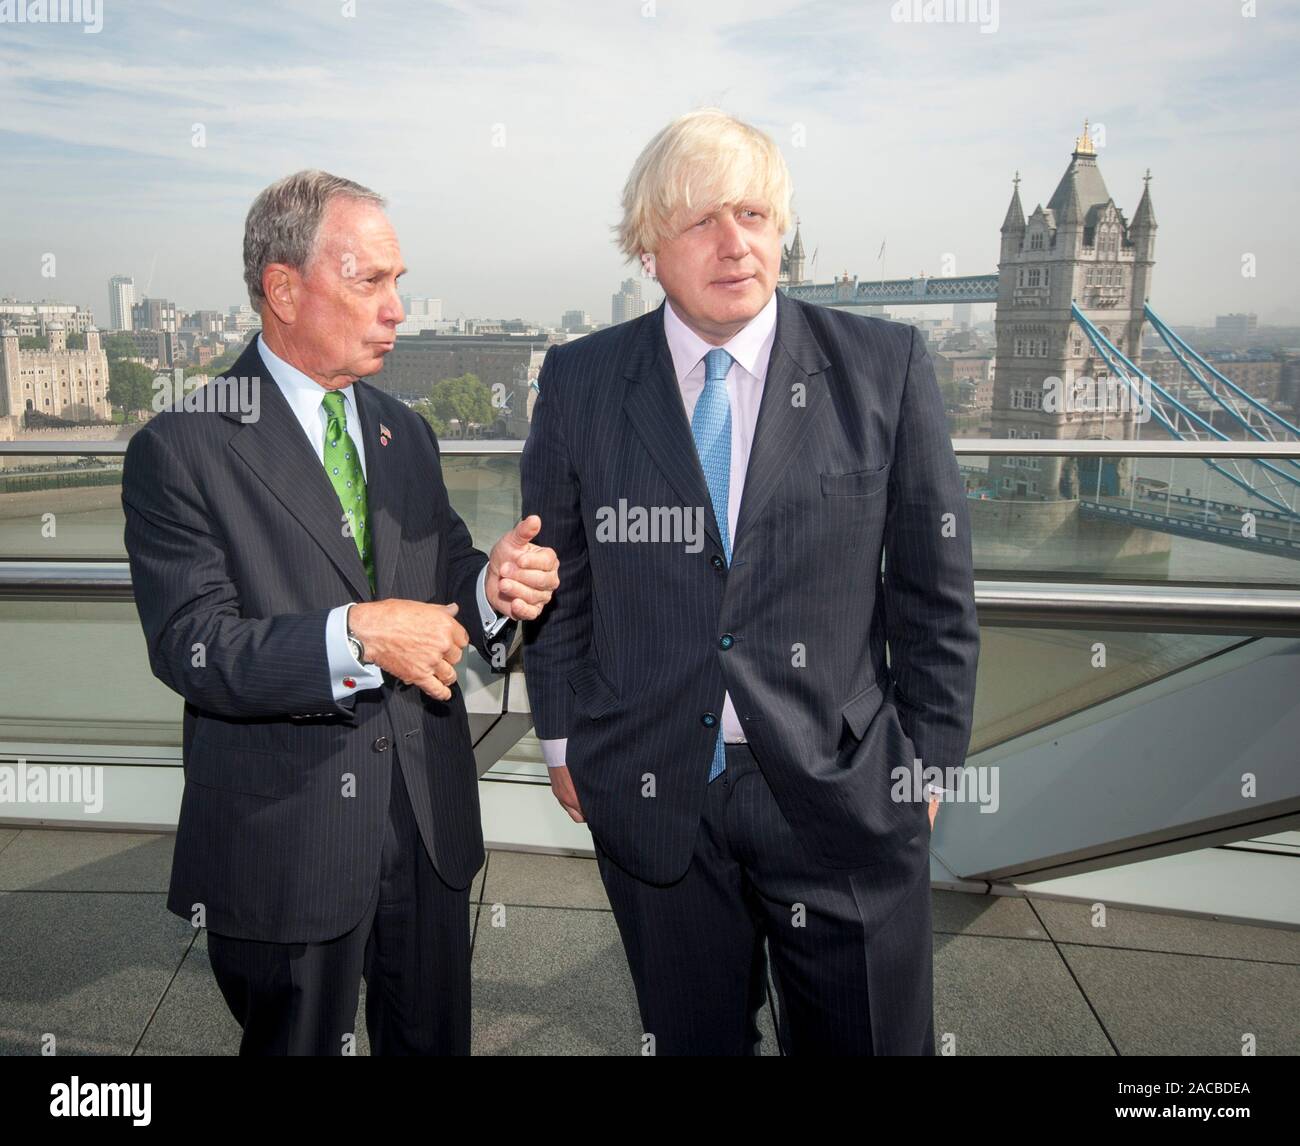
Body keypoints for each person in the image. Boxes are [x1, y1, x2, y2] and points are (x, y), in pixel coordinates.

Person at [520, 109, 979, 1055]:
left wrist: (926, 763)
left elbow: (935, 594)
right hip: (655, 795)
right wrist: (562, 737)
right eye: (701, 221)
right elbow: (560, 580)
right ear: (649, 245)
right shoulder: (578, 380)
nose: (736, 244)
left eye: (757, 215)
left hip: (843, 794)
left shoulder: (882, 368)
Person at [121, 169, 558, 1055]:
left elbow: (447, 576)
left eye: (399, 281)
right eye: (371, 282)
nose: (398, 307)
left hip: (427, 819)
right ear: (282, 289)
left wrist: (495, 590)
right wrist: (356, 637)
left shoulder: (408, 431)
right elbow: (193, 646)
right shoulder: (182, 447)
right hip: (287, 835)